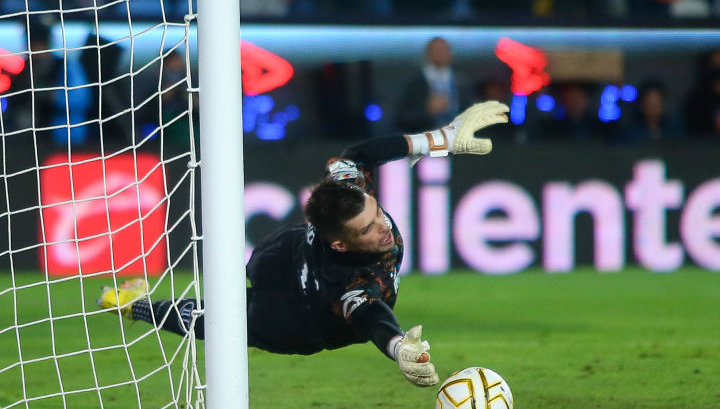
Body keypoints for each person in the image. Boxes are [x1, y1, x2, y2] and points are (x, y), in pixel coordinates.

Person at [98, 101, 511, 388]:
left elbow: (358, 152)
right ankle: (133, 305)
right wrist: (398, 345)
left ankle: (138, 302)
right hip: (292, 319)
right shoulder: (350, 282)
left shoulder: (347, 188)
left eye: (378, 213)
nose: (383, 228)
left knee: (230, 303)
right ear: (341, 246)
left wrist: (442, 138)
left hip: (288, 253)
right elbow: (369, 314)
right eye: (366, 231)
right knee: (218, 323)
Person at [395, 37, 461, 132]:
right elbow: (401, 118)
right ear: (427, 54)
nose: (439, 54)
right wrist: (426, 111)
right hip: (424, 139)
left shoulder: (461, 82)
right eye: (435, 50)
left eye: (443, 50)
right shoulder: (413, 83)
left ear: (451, 54)